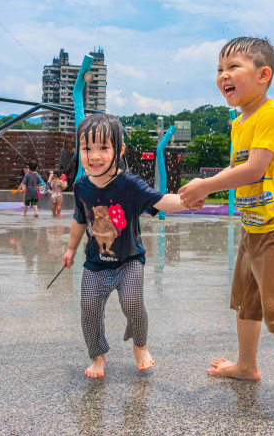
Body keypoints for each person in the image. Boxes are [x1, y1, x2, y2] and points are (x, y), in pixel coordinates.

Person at [179, 36, 274, 431]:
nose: (223, 75)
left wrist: (205, 185)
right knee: (247, 303)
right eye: (219, 69)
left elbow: (254, 170)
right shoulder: (239, 121)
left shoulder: (271, 115)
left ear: (264, 76)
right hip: (253, 227)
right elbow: (243, 179)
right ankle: (246, 365)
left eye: (233, 68)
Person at [62, 113, 204, 379]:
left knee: (133, 303)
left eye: (103, 147)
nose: (94, 155)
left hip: (129, 261)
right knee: (89, 309)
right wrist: (71, 249)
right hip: (95, 264)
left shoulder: (129, 184)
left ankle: (140, 346)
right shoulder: (81, 187)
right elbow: (80, 218)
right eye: (87, 148)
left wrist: (185, 201)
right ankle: (97, 356)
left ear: (120, 149)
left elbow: (160, 200)